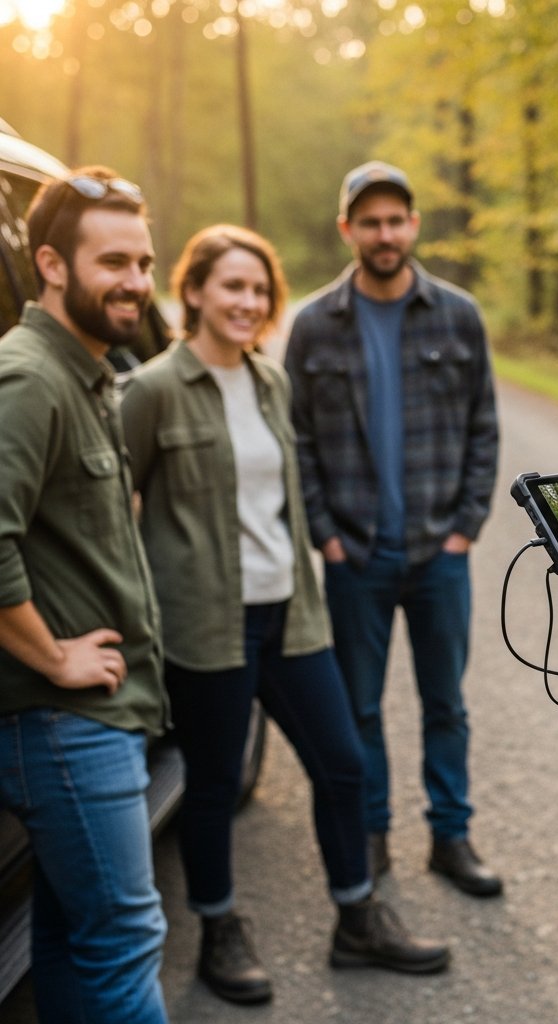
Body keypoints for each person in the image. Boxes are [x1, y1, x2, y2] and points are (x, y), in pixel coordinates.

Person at [120, 224, 451, 1006]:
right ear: (193, 291)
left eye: (260, 289)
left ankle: (356, 918)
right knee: (210, 786)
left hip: (289, 615)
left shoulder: (270, 382)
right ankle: (219, 928)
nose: (248, 302)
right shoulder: (155, 388)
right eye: (231, 286)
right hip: (208, 626)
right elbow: (115, 509)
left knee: (343, 763)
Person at [284, 161, 502, 897]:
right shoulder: (313, 324)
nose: (384, 233)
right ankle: (370, 836)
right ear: (347, 229)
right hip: (355, 559)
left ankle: (451, 836)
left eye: (395, 219)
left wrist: (466, 528)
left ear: (413, 225)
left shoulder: (458, 315)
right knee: (361, 709)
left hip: (440, 555)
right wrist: (325, 535)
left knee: (447, 705)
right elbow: (298, 441)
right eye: (368, 221)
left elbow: (483, 427)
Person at [0, 168, 169, 1022]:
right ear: (52, 265)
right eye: (114, 262)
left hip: (101, 714)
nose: (136, 282)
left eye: (143, 262)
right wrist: (52, 654)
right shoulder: (30, 377)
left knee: (72, 932)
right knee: (126, 939)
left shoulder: (93, 370)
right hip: (64, 726)